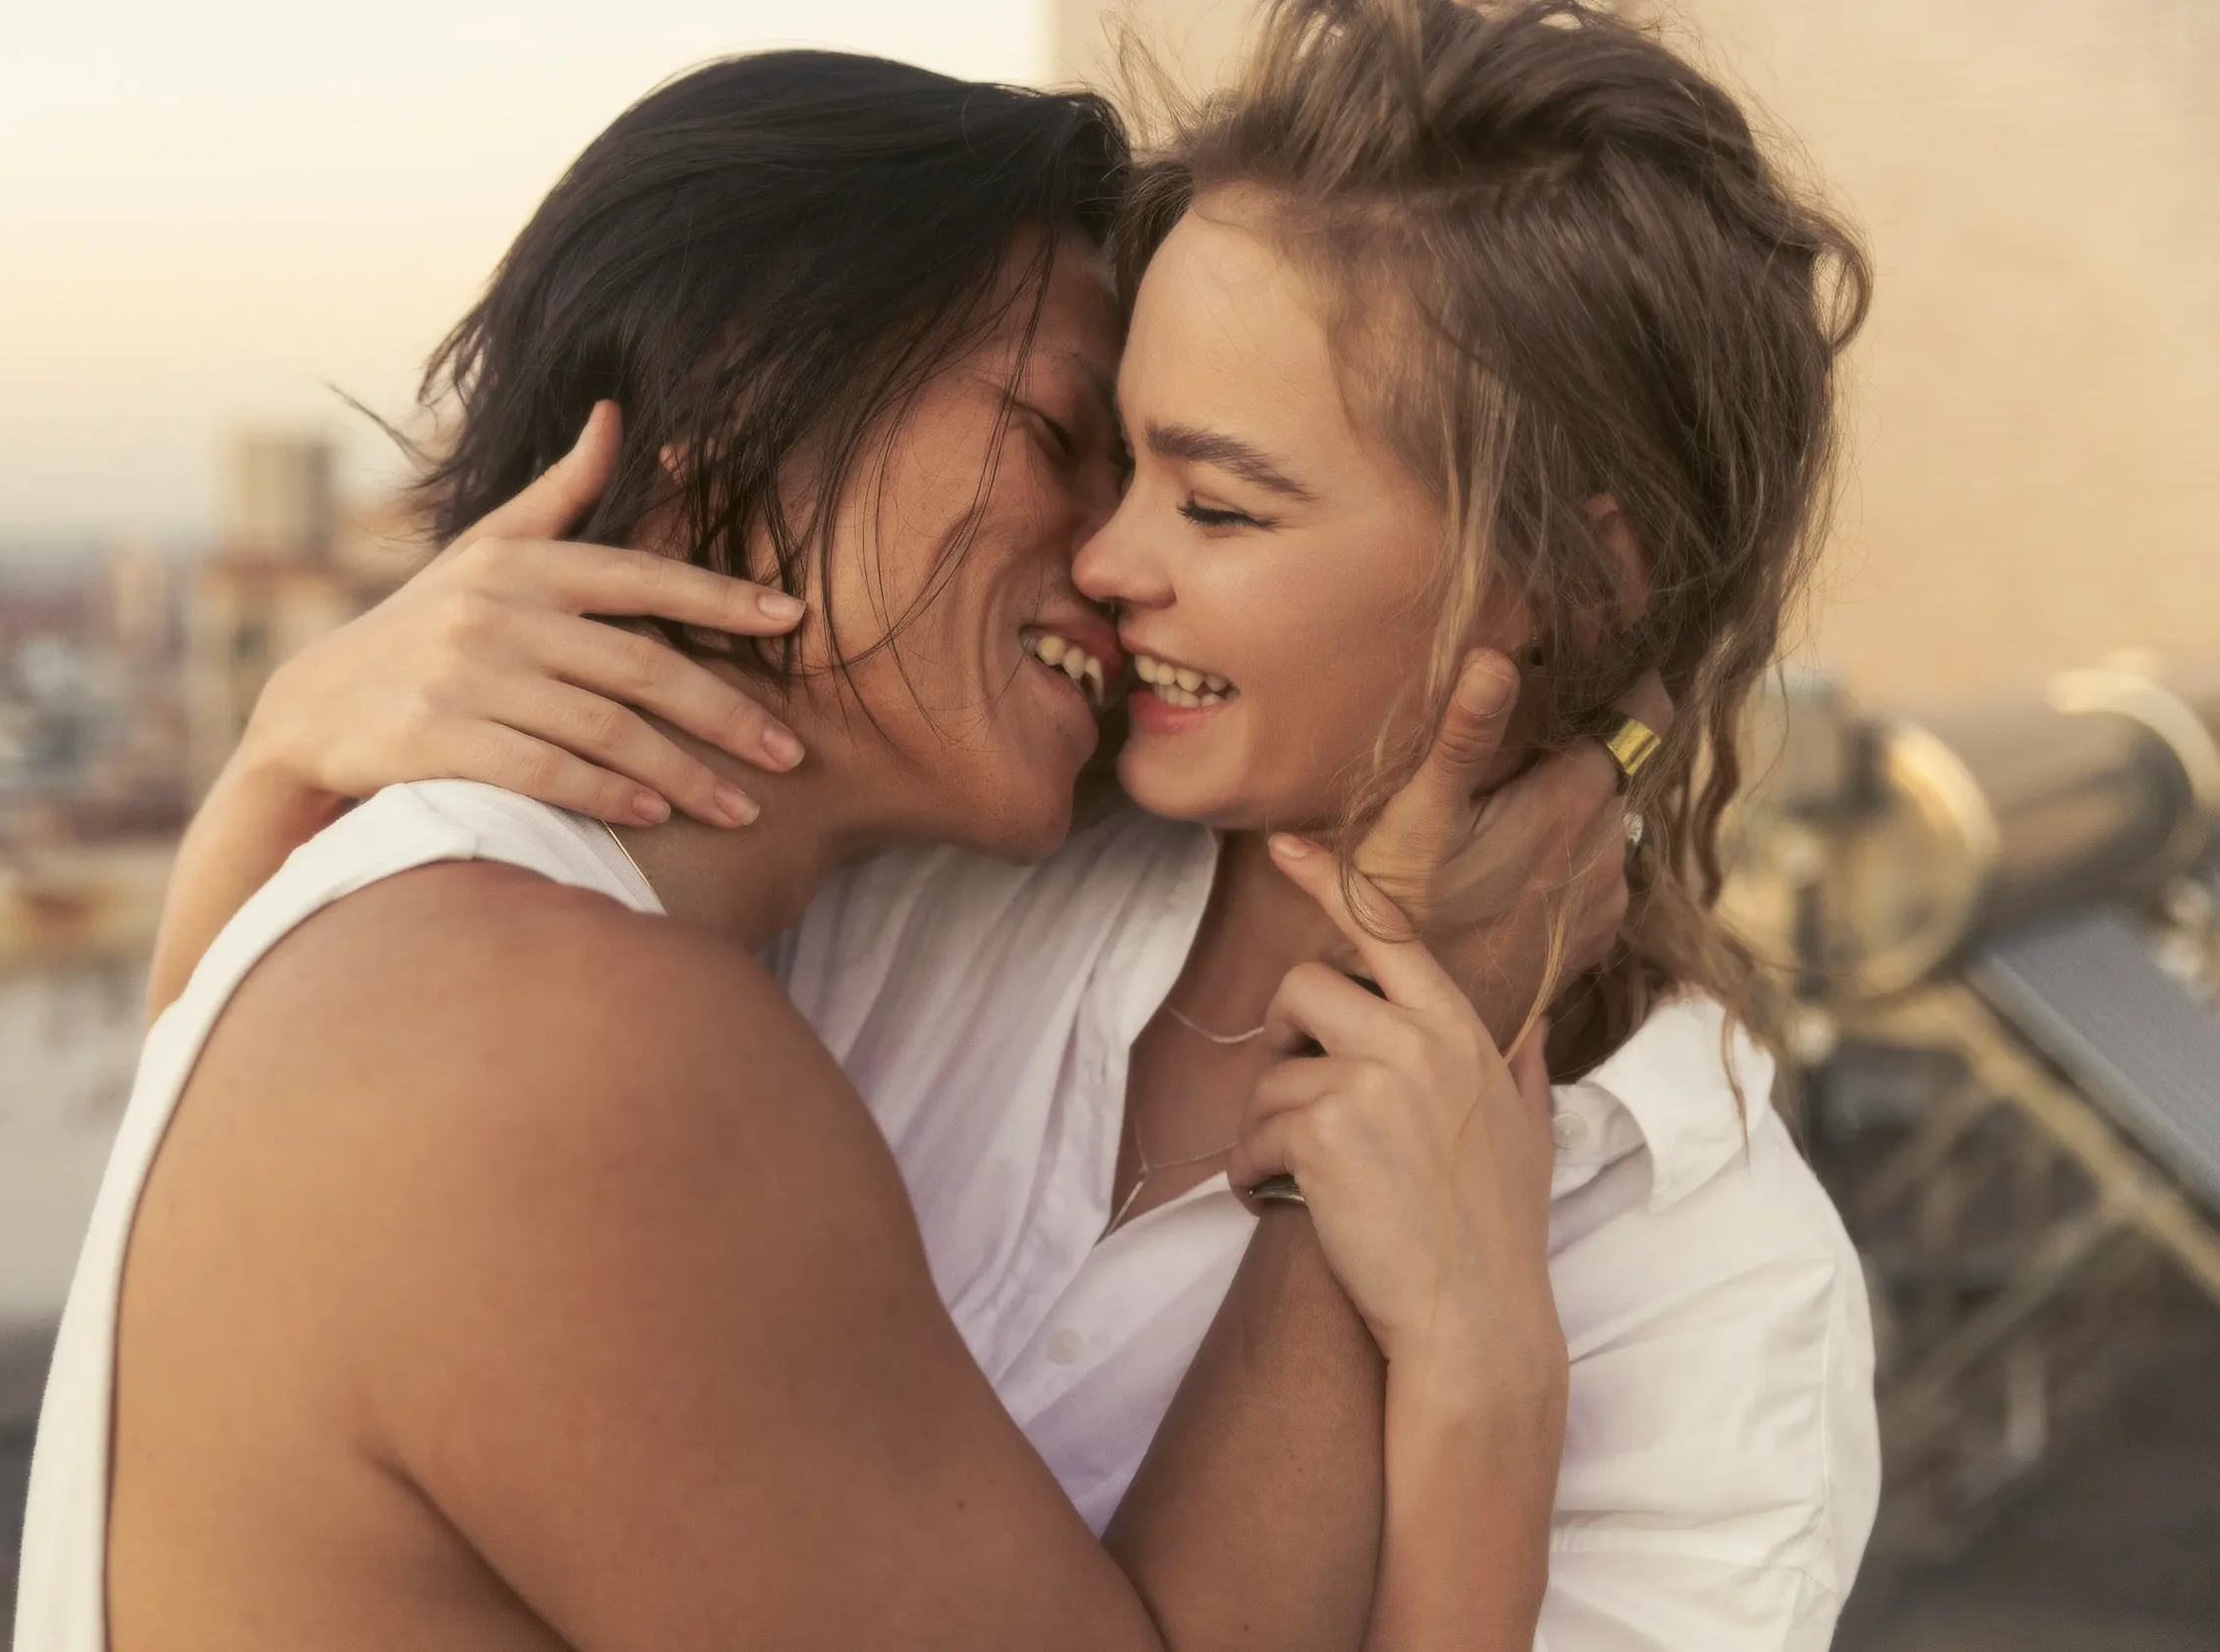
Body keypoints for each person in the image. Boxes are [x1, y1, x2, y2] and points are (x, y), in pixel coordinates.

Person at [156, 2, 1885, 1646]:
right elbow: (312, 1297)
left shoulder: (1703, 1279)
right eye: (1100, 456)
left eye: (1213, 500)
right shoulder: (897, 892)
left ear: (1579, 572)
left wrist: (1488, 1395)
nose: (1110, 559)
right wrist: (283, 770)